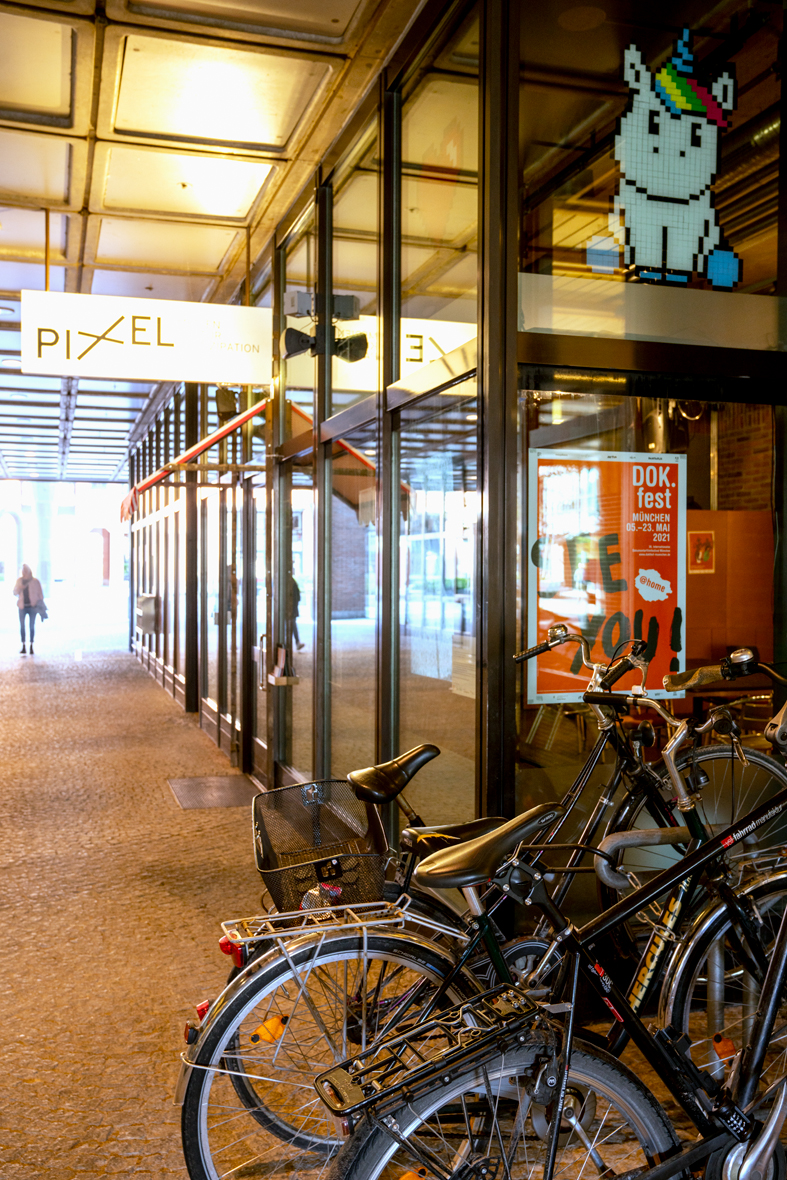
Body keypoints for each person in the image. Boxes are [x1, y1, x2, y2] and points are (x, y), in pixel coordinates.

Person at [14, 564, 44, 655]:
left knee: (31, 626)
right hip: (22, 607)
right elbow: (14, 592)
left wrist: (40, 604)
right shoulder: (19, 581)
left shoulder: (35, 581)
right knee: (22, 626)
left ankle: (31, 645)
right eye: (23, 571)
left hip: (32, 607)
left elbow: (40, 594)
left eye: (25, 570)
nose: (24, 572)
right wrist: (20, 588)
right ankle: (23, 645)